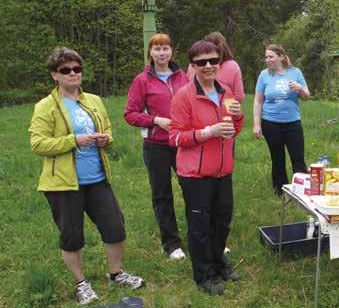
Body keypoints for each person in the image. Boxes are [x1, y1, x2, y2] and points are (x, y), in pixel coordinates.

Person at [29, 47, 144, 305]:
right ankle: (81, 283)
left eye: (77, 69)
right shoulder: (45, 106)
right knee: (72, 235)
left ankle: (116, 273)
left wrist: (105, 139)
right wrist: (74, 140)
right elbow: (38, 144)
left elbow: (108, 133)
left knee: (115, 226)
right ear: (54, 76)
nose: (73, 74)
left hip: (97, 178)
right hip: (63, 184)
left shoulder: (93, 100)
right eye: (66, 70)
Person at [169, 40, 244, 295]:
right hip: (196, 174)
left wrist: (237, 116)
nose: (208, 66)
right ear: (193, 66)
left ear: (219, 62)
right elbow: (175, 138)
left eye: (213, 60)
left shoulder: (226, 93)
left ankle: (219, 262)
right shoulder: (184, 96)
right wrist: (207, 132)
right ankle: (204, 275)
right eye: (201, 62)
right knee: (200, 226)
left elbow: (235, 131)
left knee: (222, 220)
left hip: (223, 169)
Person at [124, 33, 189, 260]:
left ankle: (203, 236)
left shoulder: (183, 77)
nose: (162, 53)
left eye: (166, 48)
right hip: (156, 146)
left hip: (184, 143)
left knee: (194, 191)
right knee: (162, 194)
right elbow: (130, 114)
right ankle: (171, 244)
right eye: (157, 49)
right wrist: (155, 120)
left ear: (172, 51)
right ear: (150, 53)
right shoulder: (142, 80)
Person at [253, 44, 310, 196]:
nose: (267, 60)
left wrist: (300, 88)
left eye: (271, 56)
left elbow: (306, 97)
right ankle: (281, 191)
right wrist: (257, 124)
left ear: (281, 57)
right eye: (266, 57)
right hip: (271, 123)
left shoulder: (295, 72)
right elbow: (258, 101)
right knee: (277, 158)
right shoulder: (264, 75)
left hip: (292, 123)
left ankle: (302, 191)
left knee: (297, 158)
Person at [187, 31, 244, 102]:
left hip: (195, 105)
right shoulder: (233, 66)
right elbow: (239, 97)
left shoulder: (194, 64)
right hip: (225, 107)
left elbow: (187, 87)